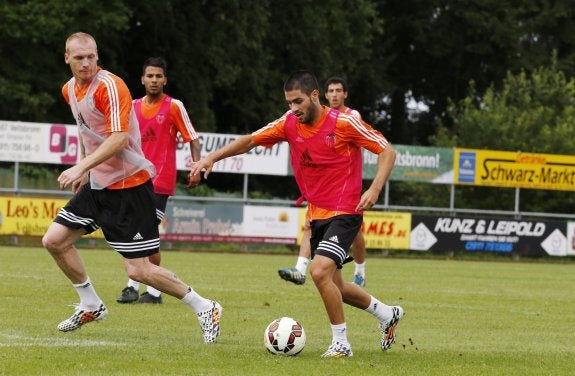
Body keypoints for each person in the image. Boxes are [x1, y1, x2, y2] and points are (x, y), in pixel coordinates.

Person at [191, 70, 403, 357]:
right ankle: (387, 313)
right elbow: (251, 140)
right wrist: (211, 157)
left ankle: (341, 343)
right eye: (289, 102)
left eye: (298, 101)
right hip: (318, 213)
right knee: (336, 284)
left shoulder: (344, 122)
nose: (293, 108)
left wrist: (375, 189)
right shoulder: (289, 123)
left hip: (345, 211)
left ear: (315, 96)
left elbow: (387, 151)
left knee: (318, 272)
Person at [42, 32, 221, 343]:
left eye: (91, 57)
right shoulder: (69, 90)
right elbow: (86, 132)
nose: (86, 63)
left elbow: (118, 138)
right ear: (66, 58)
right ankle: (91, 304)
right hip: (98, 185)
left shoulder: (110, 86)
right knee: (54, 240)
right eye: (79, 57)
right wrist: (85, 169)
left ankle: (205, 307)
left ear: (98, 57)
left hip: (129, 186)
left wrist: (81, 167)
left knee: (139, 271)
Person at [116, 57, 201, 304]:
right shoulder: (131, 106)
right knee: (134, 233)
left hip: (160, 181)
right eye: (149, 76)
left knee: (145, 233)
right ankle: (147, 291)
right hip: (132, 179)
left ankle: (142, 289)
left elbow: (192, 139)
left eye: (158, 76)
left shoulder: (174, 106)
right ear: (142, 79)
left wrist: (196, 166)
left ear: (165, 80)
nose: (154, 80)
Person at [278, 76, 368, 287]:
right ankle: (300, 269)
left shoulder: (350, 116)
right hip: (323, 188)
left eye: (339, 90)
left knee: (356, 234)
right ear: (324, 95)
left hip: (346, 186)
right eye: (331, 91)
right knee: (309, 224)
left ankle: (360, 272)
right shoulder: (315, 117)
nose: (335, 94)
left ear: (345, 94)